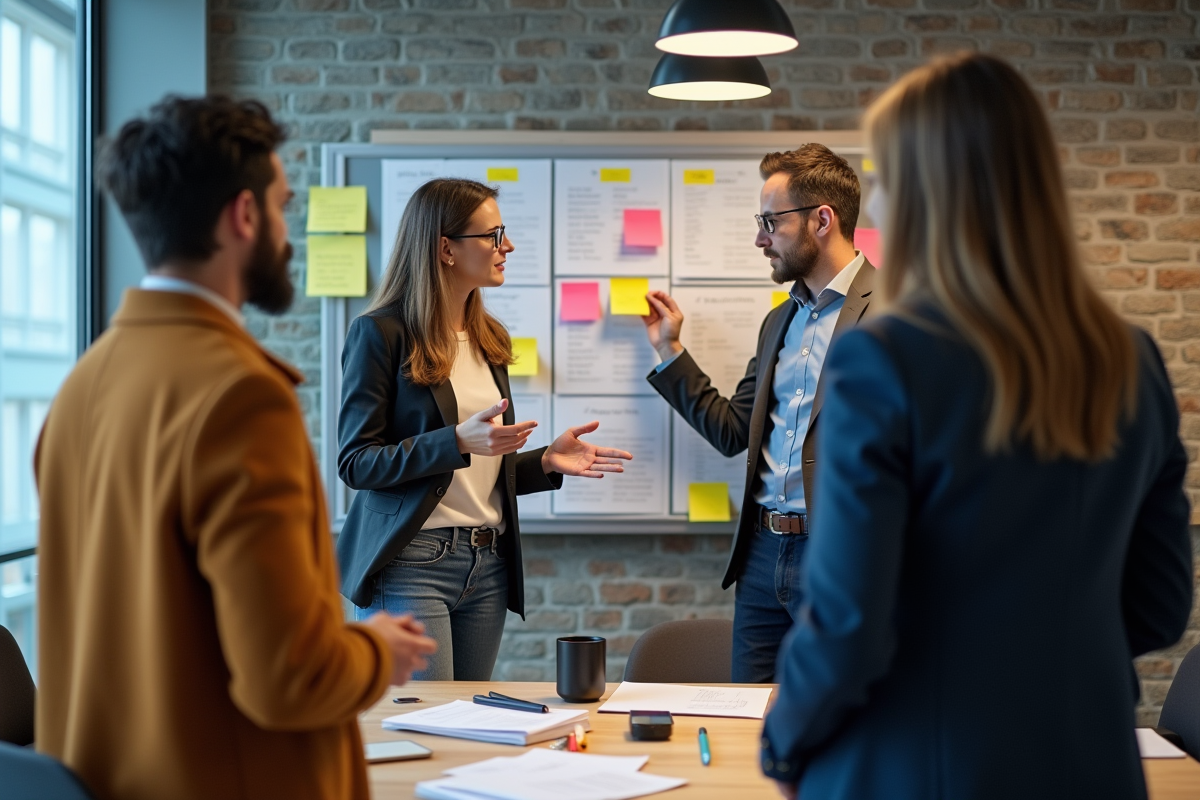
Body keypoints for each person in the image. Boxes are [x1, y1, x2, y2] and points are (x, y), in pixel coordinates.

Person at [761, 53, 1194, 800]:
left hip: (919, 768)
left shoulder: (883, 360)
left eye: (886, 177)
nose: (879, 202)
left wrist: (783, 745)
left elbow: (848, 623)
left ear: (924, 193)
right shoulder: (1131, 360)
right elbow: (1159, 605)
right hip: (1089, 764)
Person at [34, 95, 437, 800]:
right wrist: (376, 648)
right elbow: (291, 677)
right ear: (243, 215)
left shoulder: (82, 386)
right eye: (282, 206)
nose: (287, 232)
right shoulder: (241, 396)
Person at [337, 177, 633, 681]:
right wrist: (453, 440)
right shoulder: (380, 333)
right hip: (413, 562)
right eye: (493, 235)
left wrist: (543, 462)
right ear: (446, 249)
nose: (507, 246)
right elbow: (356, 462)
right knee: (427, 720)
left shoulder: (488, 336)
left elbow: (476, 467)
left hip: (487, 561)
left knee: (469, 719)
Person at [641, 144, 876, 683]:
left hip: (842, 555)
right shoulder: (779, 322)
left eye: (771, 222)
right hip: (763, 556)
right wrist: (669, 350)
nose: (759, 239)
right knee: (747, 717)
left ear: (822, 220)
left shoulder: (895, 311)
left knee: (840, 715)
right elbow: (732, 431)